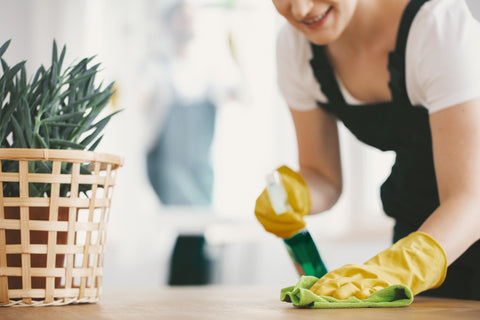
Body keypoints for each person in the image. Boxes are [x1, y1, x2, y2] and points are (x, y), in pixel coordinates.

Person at [255, 0, 480, 300]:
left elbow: (471, 200)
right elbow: (323, 176)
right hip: (420, 237)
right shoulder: (297, 47)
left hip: (442, 239)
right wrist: (296, 194)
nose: (300, 9)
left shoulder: (438, 27)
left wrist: (400, 268)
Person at [142, 0, 241, 285]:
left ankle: (190, 297)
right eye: (183, 17)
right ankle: (186, 299)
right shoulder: (157, 67)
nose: (189, 23)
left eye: (192, 17)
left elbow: (243, 97)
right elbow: (139, 102)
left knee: (195, 233)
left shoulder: (208, 70)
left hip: (201, 168)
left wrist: (237, 50)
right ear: (169, 23)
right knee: (186, 229)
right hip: (169, 166)